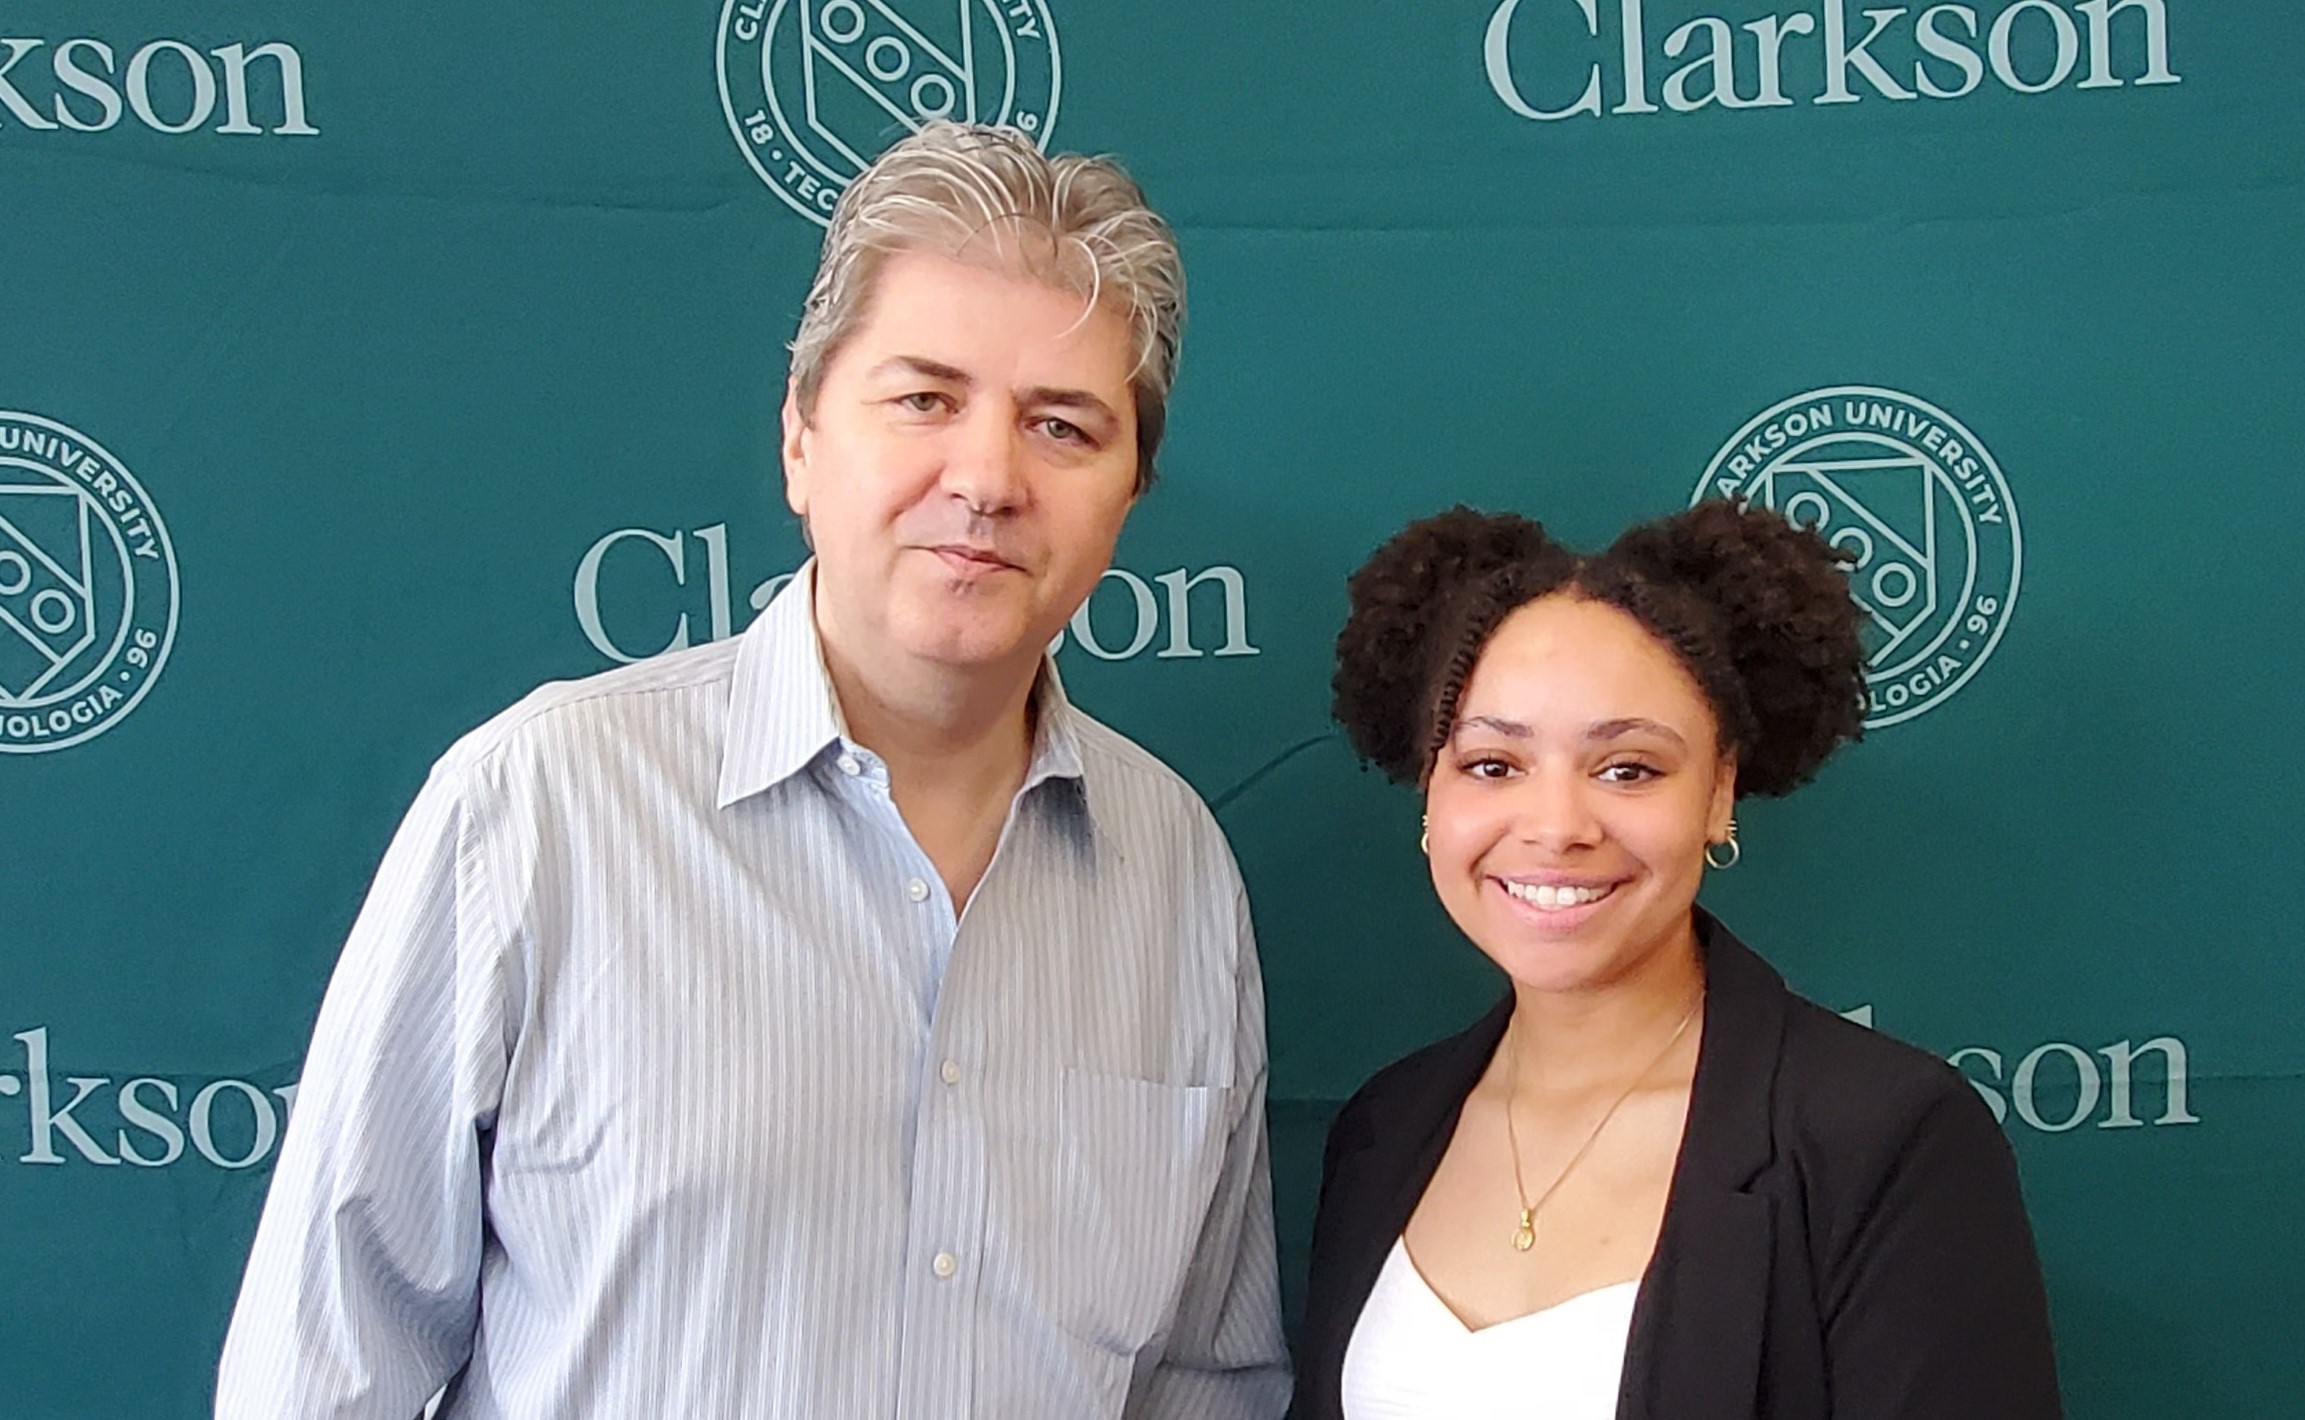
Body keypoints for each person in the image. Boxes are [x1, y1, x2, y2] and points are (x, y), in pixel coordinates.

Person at [217, 122, 1288, 1419]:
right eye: (924, 399)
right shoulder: (541, 808)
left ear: (1126, 495)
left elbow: (1201, 1384)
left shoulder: (1176, 872)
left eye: (1062, 426)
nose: (988, 477)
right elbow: (327, 1368)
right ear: (799, 438)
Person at [1290, 502, 2060, 1419]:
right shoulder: (1384, 1129)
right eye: (1493, 764)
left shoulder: (1884, 1140)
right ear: (1430, 795)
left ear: (1719, 791)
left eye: (1627, 769)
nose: (1555, 827)